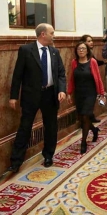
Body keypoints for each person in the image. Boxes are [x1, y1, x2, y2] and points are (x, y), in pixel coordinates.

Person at [8, 23, 66, 173]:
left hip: (50, 94)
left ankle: (48, 155)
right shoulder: (26, 50)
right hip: (31, 95)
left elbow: (61, 74)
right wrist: (14, 96)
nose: (54, 36)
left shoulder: (54, 52)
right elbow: (17, 75)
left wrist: (62, 90)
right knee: (25, 127)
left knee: (51, 126)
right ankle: (16, 161)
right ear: (43, 34)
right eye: (52, 33)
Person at [67, 42, 106, 154]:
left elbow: (98, 78)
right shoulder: (74, 62)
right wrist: (69, 92)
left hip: (90, 93)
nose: (81, 50)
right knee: (81, 117)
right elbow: (71, 79)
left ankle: (83, 142)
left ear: (87, 50)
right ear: (76, 51)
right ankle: (94, 130)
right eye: (79, 49)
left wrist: (102, 93)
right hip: (79, 94)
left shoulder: (92, 62)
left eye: (84, 48)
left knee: (85, 116)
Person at [80, 34, 104, 123]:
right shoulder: (82, 56)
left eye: (91, 41)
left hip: (91, 85)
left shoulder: (91, 54)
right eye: (89, 41)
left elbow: (96, 64)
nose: (91, 42)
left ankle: (90, 119)